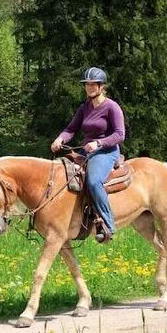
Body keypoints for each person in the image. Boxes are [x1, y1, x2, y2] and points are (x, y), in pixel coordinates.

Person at [50, 67, 126, 242]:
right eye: (87, 85)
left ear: (101, 86)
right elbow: (71, 129)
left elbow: (119, 135)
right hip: (86, 151)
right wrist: (60, 139)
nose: (89, 88)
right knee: (65, 173)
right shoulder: (84, 107)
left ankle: (107, 224)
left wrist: (99, 143)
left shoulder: (111, 107)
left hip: (107, 152)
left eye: (93, 85)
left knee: (93, 180)